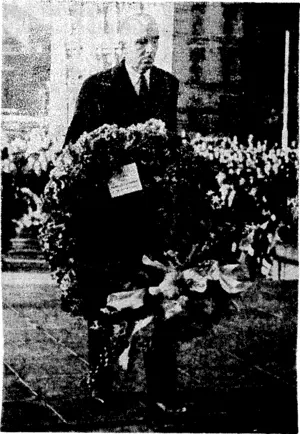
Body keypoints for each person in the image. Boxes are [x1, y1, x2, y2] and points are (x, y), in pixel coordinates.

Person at [64, 13, 181, 414]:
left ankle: (162, 391)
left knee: (162, 299)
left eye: (154, 40)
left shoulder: (167, 85)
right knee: (108, 303)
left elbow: (171, 147)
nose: (148, 49)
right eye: (140, 42)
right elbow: (75, 151)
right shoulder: (97, 87)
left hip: (152, 218)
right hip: (109, 219)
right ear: (123, 45)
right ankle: (101, 388)